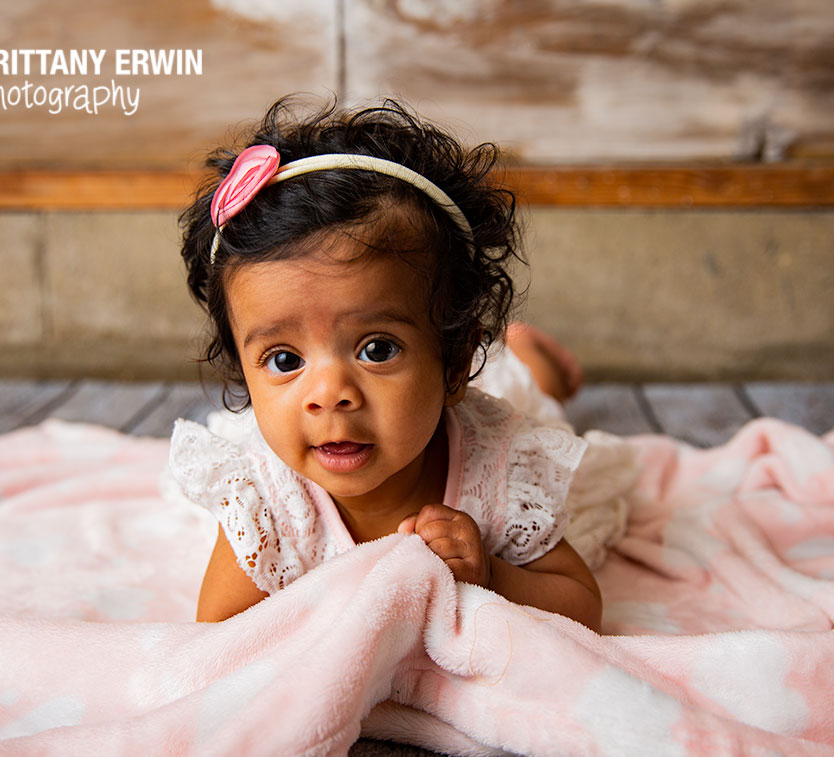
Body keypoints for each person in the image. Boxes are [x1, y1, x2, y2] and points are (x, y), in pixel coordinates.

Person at [170, 96, 607, 629]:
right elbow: (219, 634)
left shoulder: (503, 469)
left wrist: (493, 575)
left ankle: (536, 360)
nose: (329, 393)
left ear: (454, 366)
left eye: (376, 349)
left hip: (495, 404)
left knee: (533, 394)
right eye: (284, 360)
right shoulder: (270, 503)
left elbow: (583, 606)